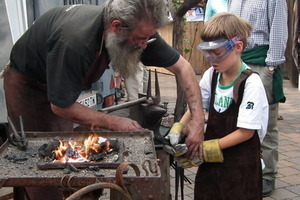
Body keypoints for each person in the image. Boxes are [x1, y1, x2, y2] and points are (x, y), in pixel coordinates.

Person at [3, 0, 205, 199]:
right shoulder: (75, 42)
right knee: (36, 161)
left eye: (149, 38)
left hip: (57, 84)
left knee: (63, 154)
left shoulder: (141, 29)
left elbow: (184, 68)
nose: (145, 45)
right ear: (117, 27)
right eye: (141, 38)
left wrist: (197, 121)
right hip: (28, 85)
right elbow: (60, 106)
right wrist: (116, 122)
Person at [166, 13, 269, 199]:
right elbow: (196, 107)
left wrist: (204, 149)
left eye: (217, 53)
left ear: (238, 47)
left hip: (241, 168)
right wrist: (178, 127)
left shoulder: (251, 83)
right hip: (212, 166)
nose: (211, 60)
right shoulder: (211, 76)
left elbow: (246, 132)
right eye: (207, 53)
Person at [227, 0, 288, 196]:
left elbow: (279, 31)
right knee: (237, 121)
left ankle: (267, 175)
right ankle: (242, 170)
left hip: (262, 64)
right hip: (236, 62)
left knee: (265, 124)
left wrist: (271, 67)